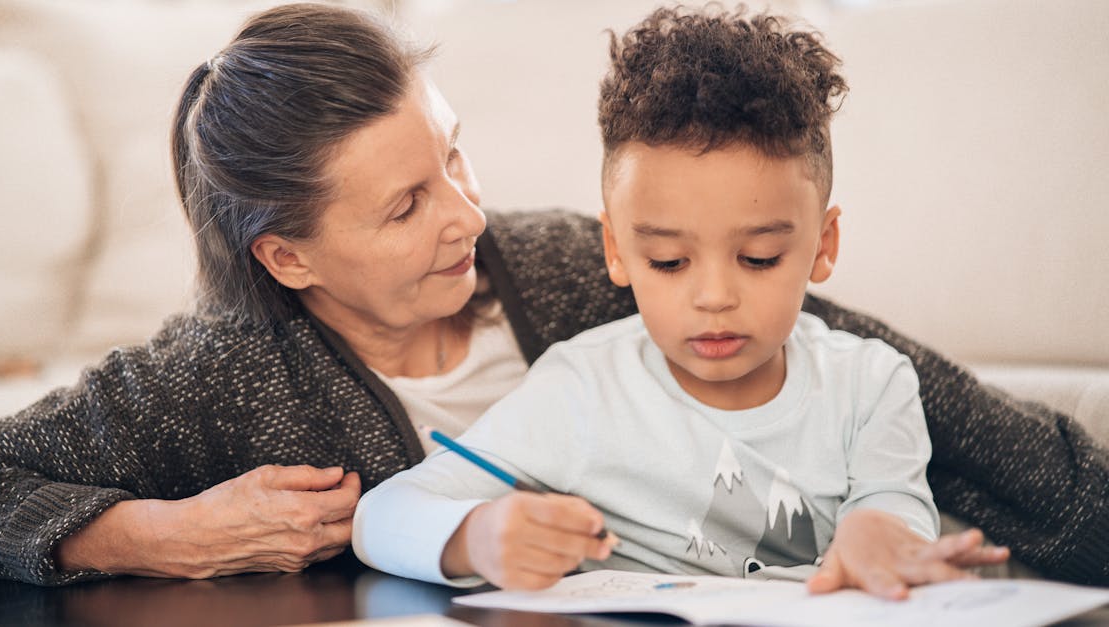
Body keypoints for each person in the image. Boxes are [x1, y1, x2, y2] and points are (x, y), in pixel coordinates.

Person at [0, 2, 1104, 588]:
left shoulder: (564, 265)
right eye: (403, 208)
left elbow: (896, 377)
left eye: (456, 159)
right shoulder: (215, 374)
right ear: (290, 259)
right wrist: (154, 534)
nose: (467, 217)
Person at [351, 5, 1010, 599]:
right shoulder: (579, 392)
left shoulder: (872, 385)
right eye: (668, 261)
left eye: (759, 258)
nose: (715, 297)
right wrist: (477, 533)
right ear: (615, 250)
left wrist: (877, 532)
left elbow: (895, 506)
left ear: (822, 245)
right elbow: (381, 514)